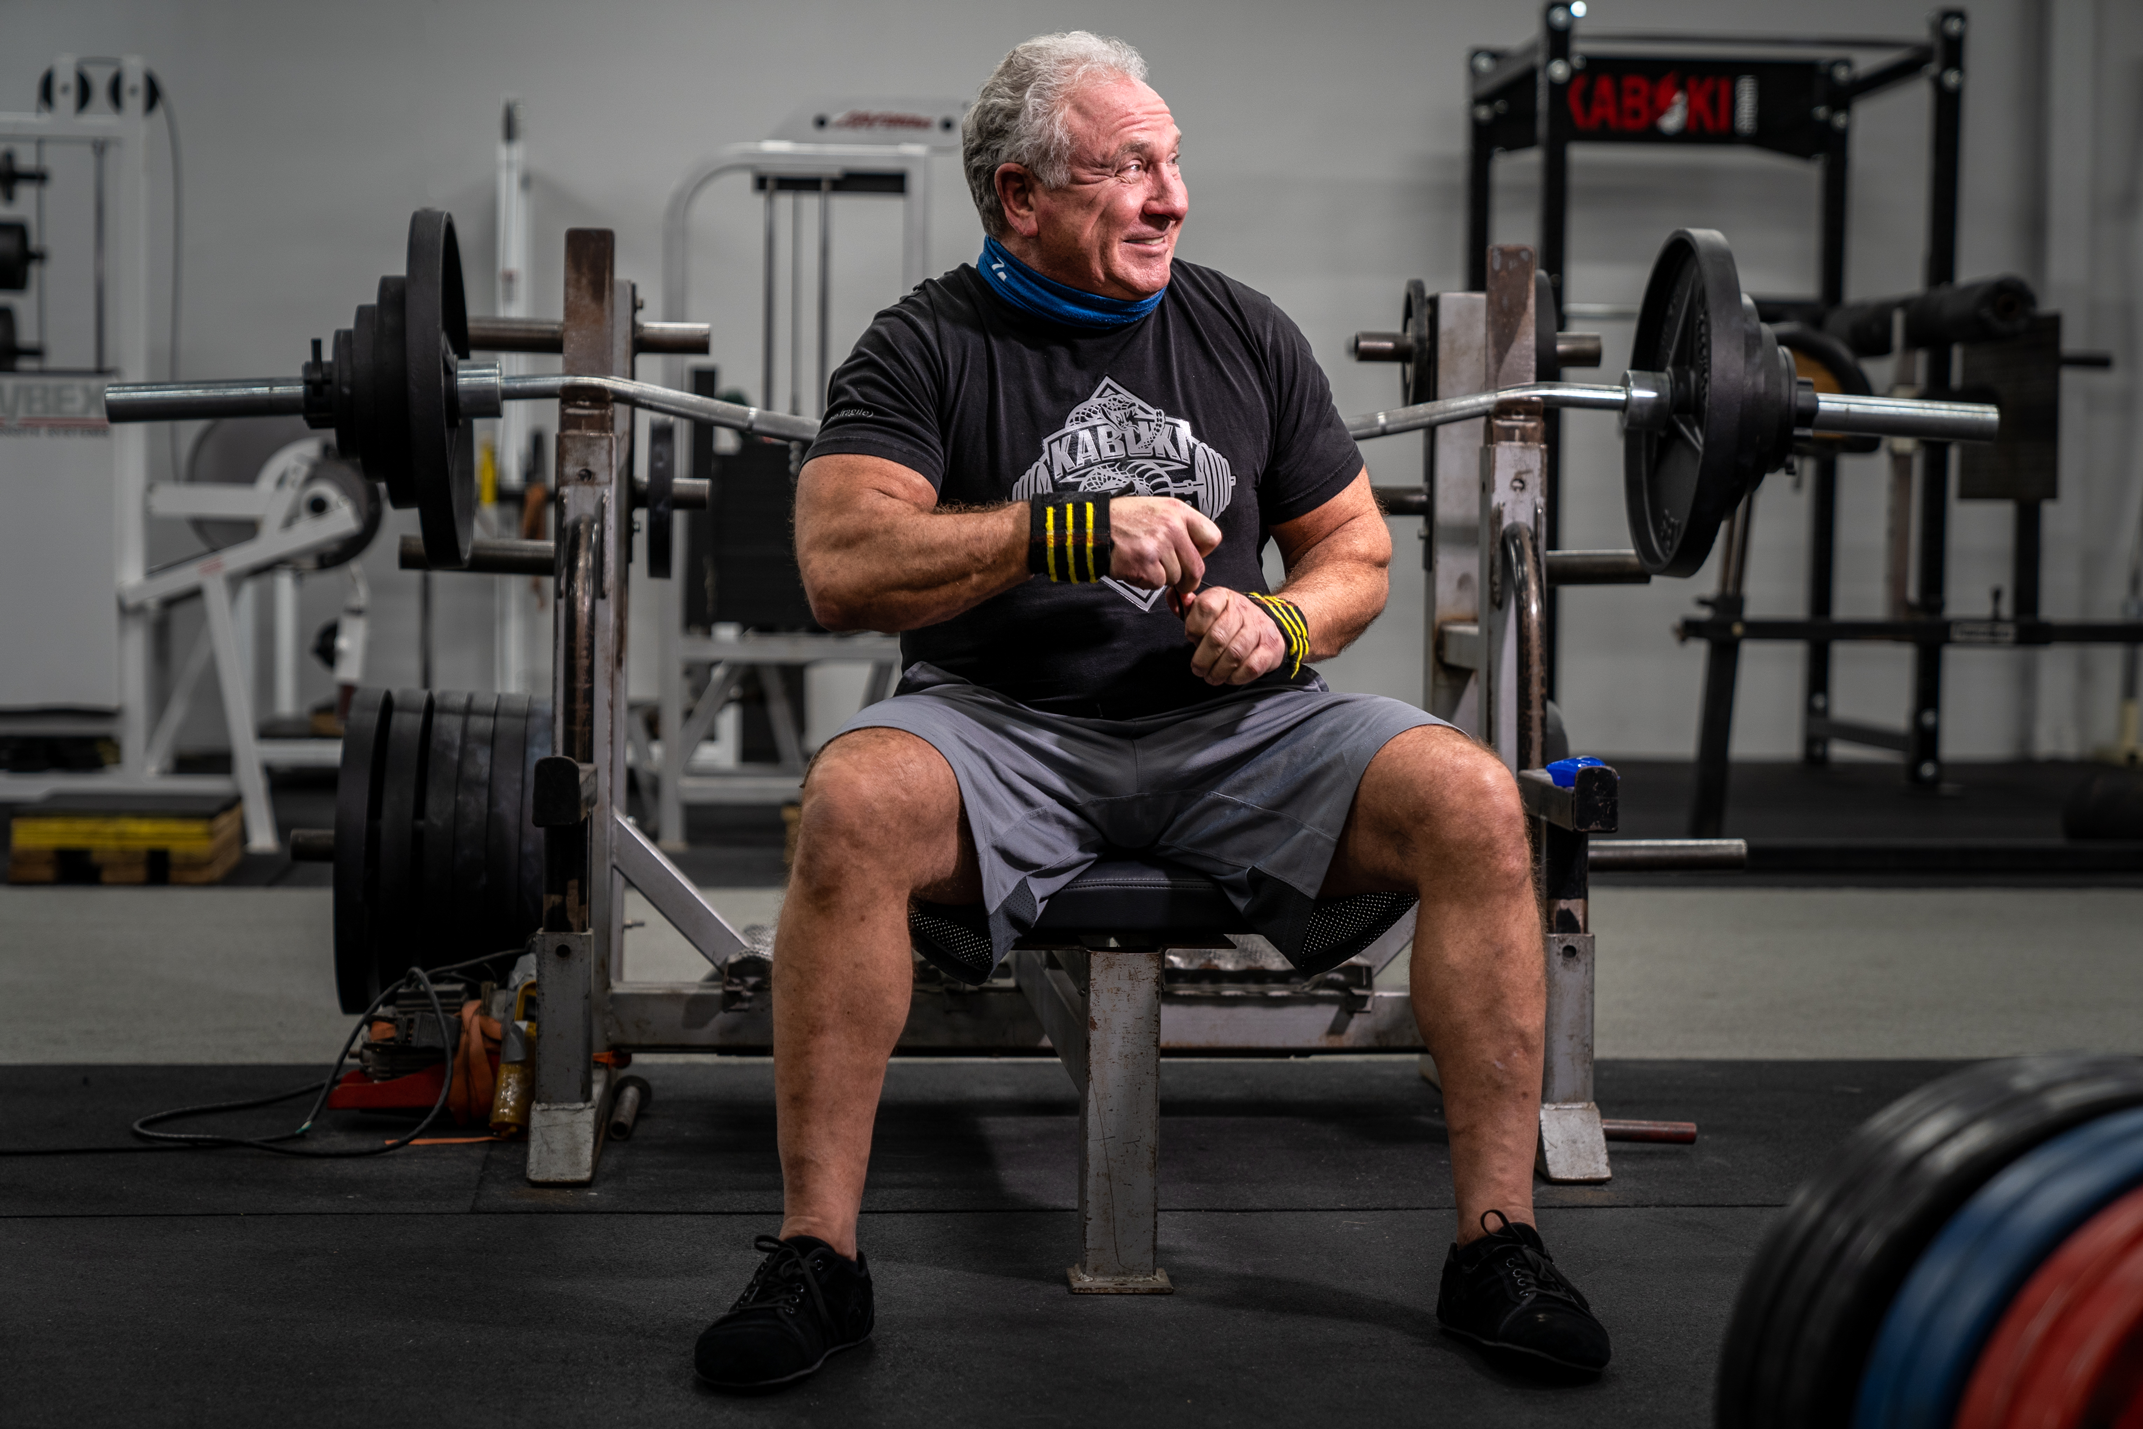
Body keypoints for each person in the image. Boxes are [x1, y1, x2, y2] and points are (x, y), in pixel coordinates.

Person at [691, 30, 1611, 1392]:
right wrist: (1059, 537)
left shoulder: (1239, 326)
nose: (1170, 193)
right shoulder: (923, 344)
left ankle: (1497, 1242)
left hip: (1234, 733)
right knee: (854, 796)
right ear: (1021, 197)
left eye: (1172, 160)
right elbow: (842, 567)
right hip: (999, 728)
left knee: (1472, 795)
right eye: (1129, 167)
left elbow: (1354, 548)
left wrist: (1283, 621)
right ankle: (815, 1254)